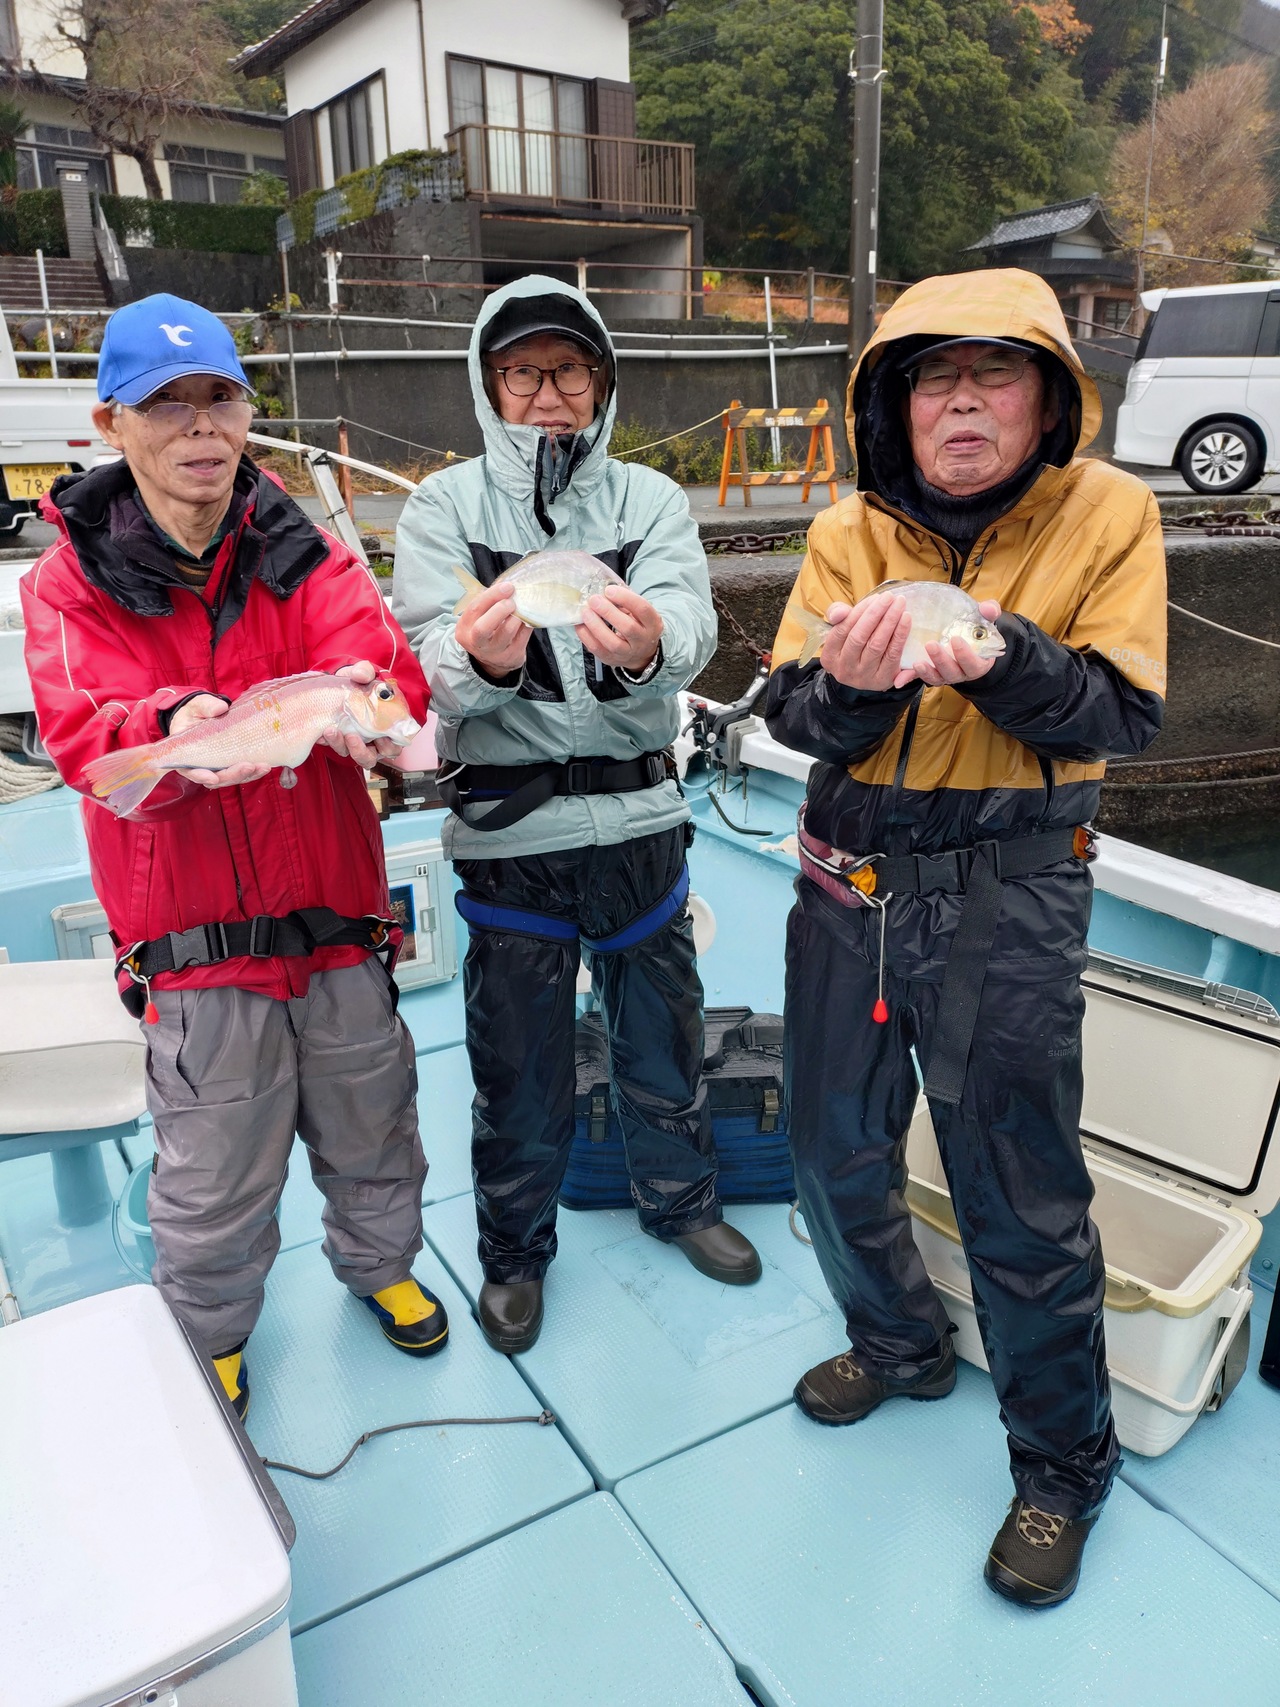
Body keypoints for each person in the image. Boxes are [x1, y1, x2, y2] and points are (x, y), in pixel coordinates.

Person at [765, 268, 1167, 1607]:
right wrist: (853, 692)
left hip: (1010, 888)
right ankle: (897, 1339)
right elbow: (794, 713)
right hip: (847, 882)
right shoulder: (845, 530)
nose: (962, 401)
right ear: (894, 402)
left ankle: (1061, 1467)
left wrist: (1001, 658)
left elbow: (1118, 714)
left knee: (1017, 1187)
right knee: (828, 1143)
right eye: (933, 376)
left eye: (995, 372)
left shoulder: (1110, 512)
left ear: (1048, 398)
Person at [22, 293, 449, 1420]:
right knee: (212, 1170)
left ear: (248, 414)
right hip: (195, 944)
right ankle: (210, 1332)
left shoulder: (307, 548)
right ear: (111, 424)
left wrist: (371, 709)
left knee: (376, 1125)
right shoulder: (67, 580)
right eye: (167, 404)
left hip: (338, 923)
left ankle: (382, 1267)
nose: (200, 426)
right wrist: (173, 729)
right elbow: (84, 736)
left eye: (220, 398)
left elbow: (382, 674)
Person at [394, 275, 761, 1354]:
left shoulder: (648, 501)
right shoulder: (442, 508)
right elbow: (423, 660)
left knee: (664, 1038)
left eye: (568, 368)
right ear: (489, 383)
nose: (547, 392)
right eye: (522, 371)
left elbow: (691, 622)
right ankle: (514, 1252)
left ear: (600, 381)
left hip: (643, 823)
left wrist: (653, 646)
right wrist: (474, 660)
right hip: (511, 840)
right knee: (518, 1066)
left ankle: (682, 1202)